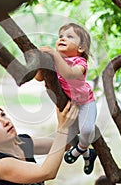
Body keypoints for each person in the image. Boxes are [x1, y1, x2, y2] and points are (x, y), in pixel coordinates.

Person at [35, 23, 98, 175]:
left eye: (69, 37)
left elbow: (69, 74)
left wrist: (54, 54)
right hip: (67, 105)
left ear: (81, 48)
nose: (62, 39)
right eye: (61, 36)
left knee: (87, 129)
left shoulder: (80, 62)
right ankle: (89, 155)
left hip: (85, 103)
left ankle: (81, 150)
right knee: (67, 139)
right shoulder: (53, 62)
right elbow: (38, 78)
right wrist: (40, 61)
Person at [0, 101, 79, 185]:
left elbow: (64, 145)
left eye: (3, 115)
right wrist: (63, 128)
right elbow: (47, 172)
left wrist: (72, 120)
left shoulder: (21, 143)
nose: (5, 122)